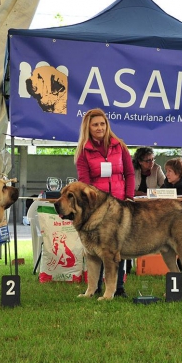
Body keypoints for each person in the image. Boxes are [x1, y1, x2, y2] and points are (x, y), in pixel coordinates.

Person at [74, 108, 135, 298]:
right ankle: (96, 287)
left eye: (102, 124)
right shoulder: (83, 152)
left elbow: (130, 173)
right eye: (95, 125)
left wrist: (129, 197)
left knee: (119, 245)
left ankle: (119, 287)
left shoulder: (120, 146)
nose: (100, 128)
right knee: (97, 247)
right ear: (88, 128)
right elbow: (84, 183)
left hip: (119, 204)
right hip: (97, 208)